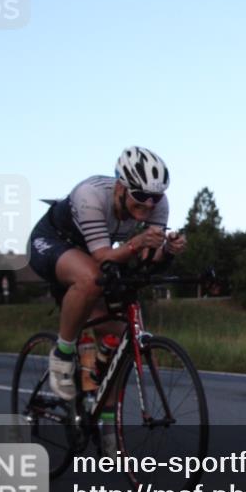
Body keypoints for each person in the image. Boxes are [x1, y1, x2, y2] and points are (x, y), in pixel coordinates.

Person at [27, 147, 187, 407]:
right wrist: (137, 242)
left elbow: (147, 260)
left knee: (125, 334)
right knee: (90, 278)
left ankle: (107, 417)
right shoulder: (90, 195)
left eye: (155, 197)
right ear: (120, 187)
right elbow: (102, 258)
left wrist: (168, 249)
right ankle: (62, 353)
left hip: (95, 254)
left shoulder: (158, 205)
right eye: (140, 195)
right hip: (53, 242)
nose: (149, 204)